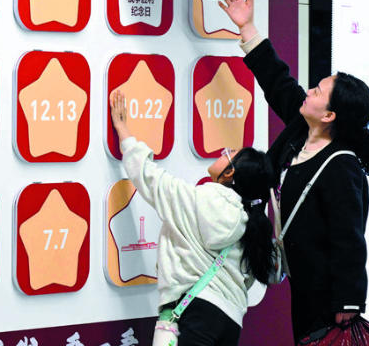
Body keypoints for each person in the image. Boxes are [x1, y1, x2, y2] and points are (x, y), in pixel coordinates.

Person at [218, 0, 369, 344]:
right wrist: (246, 27)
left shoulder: (342, 165)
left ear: (329, 115)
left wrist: (349, 301)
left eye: (318, 91)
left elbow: (349, 238)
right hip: (300, 279)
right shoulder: (300, 132)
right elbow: (277, 81)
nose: (309, 91)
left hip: (329, 294)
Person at [110, 90, 277, 346]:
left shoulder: (200, 200)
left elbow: (150, 177)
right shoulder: (250, 222)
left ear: (230, 173)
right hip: (230, 322)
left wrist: (123, 130)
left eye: (229, 153)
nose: (221, 152)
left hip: (193, 315)